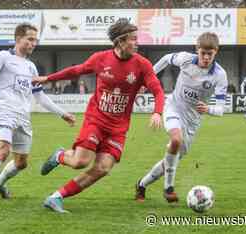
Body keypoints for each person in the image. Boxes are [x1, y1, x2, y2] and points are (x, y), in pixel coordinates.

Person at [32, 18, 165, 213]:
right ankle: (60, 156)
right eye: (133, 39)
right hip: (96, 119)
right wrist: (47, 78)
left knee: (103, 168)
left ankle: (56, 197)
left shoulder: (142, 64)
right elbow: (75, 71)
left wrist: (157, 112)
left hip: (118, 128)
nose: (137, 43)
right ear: (120, 41)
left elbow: (158, 91)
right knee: (80, 162)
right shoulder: (100, 59)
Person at [0, 23, 76, 209]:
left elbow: (40, 97)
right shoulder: (3, 56)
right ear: (18, 39)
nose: (33, 43)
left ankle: (0, 183)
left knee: (21, 163)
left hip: (23, 117)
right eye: (30, 39)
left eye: (35, 40)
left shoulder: (31, 67)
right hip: (4, 112)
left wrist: (63, 114)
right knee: (3, 151)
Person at [135, 32, 228, 203]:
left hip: (193, 121)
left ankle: (142, 184)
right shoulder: (185, 59)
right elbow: (165, 59)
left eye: (210, 54)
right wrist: (148, 80)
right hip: (173, 107)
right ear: (197, 50)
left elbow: (222, 109)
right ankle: (168, 188)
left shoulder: (220, 75)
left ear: (216, 52)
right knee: (175, 140)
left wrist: (209, 109)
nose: (206, 57)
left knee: (171, 159)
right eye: (203, 53)